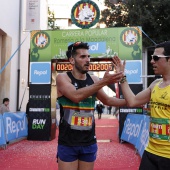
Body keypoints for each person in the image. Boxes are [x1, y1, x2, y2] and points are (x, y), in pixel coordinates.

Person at [56, 41, 126, 170]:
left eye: (88, 57)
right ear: (72, 60)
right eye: (82, 57)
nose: (87, 60)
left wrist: (133, 101)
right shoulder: (63, 78)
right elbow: (75, 96)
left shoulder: (93, 79)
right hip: (68, 142)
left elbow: (108, 100)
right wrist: (103, 82)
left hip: (89, 141)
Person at [113, 41, 170, 170]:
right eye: (151, 58)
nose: (152, 61)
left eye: (156, 58)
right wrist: (122, 77)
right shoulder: (155, 84)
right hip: (151, 152)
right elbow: (132, 101)